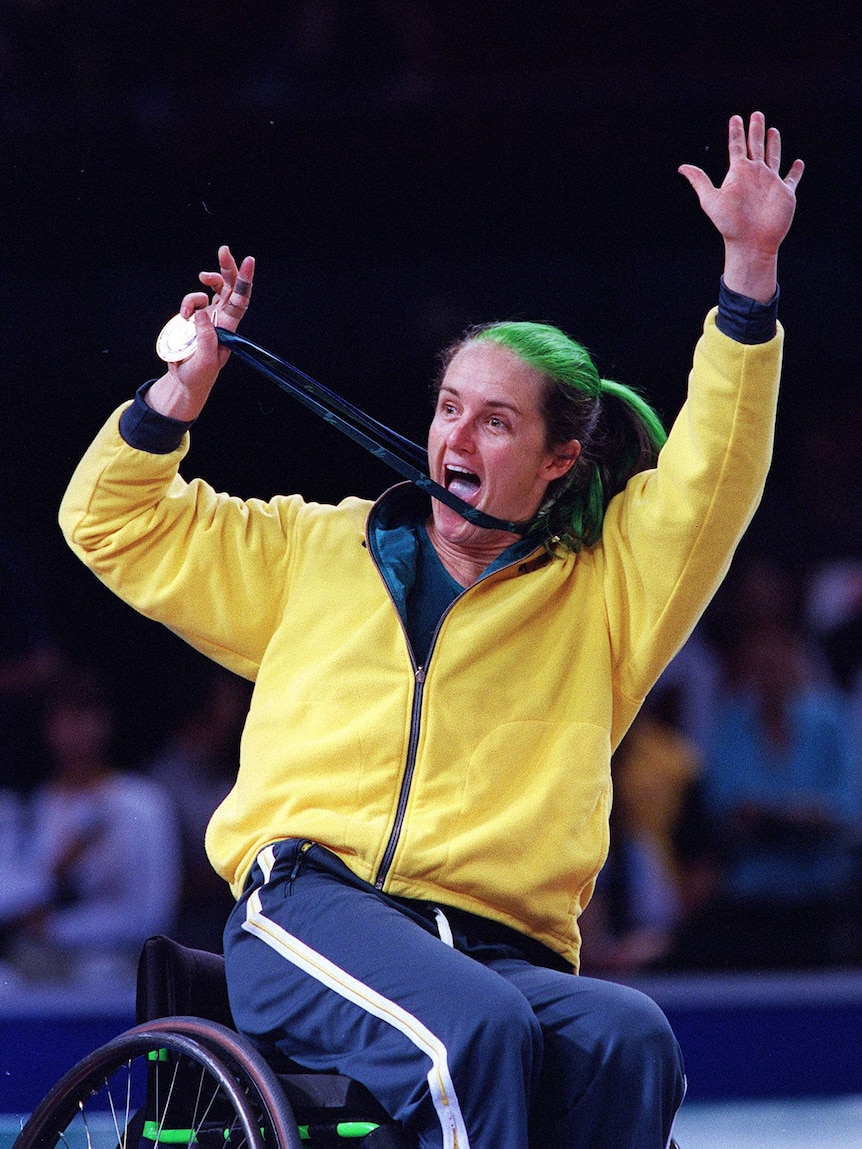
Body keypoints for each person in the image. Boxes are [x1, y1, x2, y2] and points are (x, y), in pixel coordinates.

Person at [60, 113, 803, 1149]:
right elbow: (109, 521)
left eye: (495, 420)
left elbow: (712, 478)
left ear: (558, 460)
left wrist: (747, 281)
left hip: (504, 947)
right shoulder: (315, 552)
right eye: (450, 407)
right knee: (476, 1033)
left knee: (630, 1035)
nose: (454, 435)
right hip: (314, 909)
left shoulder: (608, 592)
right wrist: (178, 394)